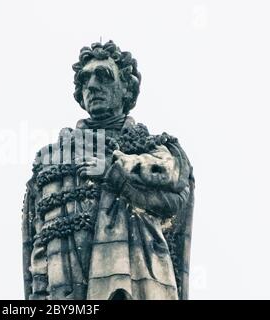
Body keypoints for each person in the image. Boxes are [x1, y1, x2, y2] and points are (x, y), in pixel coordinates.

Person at [22, 41, 195, 300]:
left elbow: (174, 206)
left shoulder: (156, 151)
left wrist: (116, 174)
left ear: (127, 89)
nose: (92, 85)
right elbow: (37, 242)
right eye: (85, 79)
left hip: (139, 286)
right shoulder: (51, 160)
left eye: (103, 76)